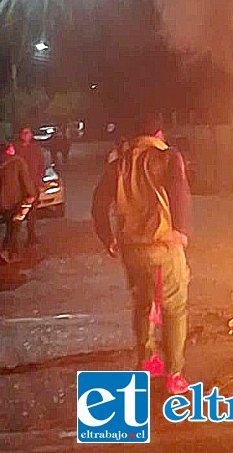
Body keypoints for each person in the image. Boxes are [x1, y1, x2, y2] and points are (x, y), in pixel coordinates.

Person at [92, 114, 193, 394]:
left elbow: (99, 202)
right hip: (162, 247)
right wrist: (181, 230)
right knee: (174, 309)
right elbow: (179, 193)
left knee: (143, 304)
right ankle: (174, 374)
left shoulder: (119, 164)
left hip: (131, 250)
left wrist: (107, 237)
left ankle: (147, 361)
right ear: (159, 133)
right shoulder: (168, 157)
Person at [0, 140, 37, 264]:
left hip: (0, 201)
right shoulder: (18, 162)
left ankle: (12, 253)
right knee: (14, 227)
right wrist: (31, 194)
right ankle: (6, 251)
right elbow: (25, 180)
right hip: (15, 200)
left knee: (11, 227)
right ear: (9, 149)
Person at [16, 126, 44, 246]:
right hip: (19, 185)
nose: (25, 135)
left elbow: (41, 165)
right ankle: (14, 239)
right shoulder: (16, 149)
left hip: (32, 184)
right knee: (18, 212)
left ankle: (31, 236)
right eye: (23, 133)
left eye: (27, 133)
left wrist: (38, 180)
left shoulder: (35, 149)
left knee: (32, 212)